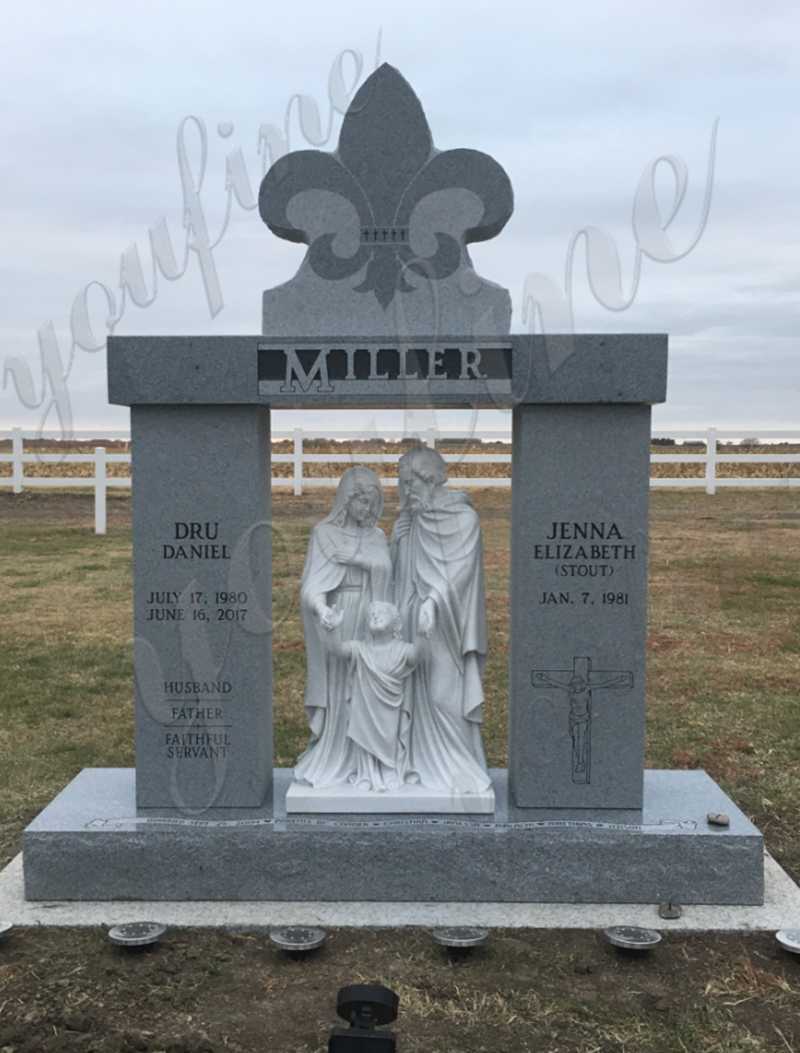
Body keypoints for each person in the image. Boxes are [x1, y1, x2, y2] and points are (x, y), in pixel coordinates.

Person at [391, 446, 492, 794]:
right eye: (401, 484)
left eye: (410, 484)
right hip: (410, 619)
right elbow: (400, 573)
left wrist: (433, 601)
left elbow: (460, 573)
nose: (405, 493)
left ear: (430, 479)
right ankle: (416, 764)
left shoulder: (464, 519)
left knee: (442, 694)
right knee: (409, 694)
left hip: (446, 623)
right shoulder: (413, 519)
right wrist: (398, 540)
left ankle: (460, 769)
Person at [294, 466, 391, 788]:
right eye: (362, 502)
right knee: (342, 691)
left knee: (367, 692)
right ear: (347, 500)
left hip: (371, 617)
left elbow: (386, 575)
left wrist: (358, 560)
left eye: (373, 503)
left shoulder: (377, 536)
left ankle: (369, 763)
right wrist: (322, 610)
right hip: (339, 615)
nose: (368, 510)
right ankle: (337, 753)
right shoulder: (325, 534)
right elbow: (312, 586)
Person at [323, 600, 425, 791]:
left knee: (388, 737)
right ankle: (366, 774)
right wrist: (332, 629)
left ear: (396, 624)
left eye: (381, 613)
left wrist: (422, 632)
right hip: (364, 708)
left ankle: (389, 769)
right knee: (364, 737)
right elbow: (336, 650)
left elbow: (418, 655)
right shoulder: (359, 649)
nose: (375, 616)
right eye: (372, 614)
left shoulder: (402, 650)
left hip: (390, 707)